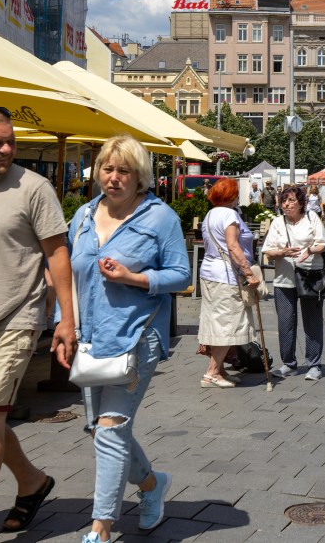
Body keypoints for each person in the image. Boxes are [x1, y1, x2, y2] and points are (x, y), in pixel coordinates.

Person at [69, 135, 191, 542]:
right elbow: (71, 276)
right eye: (108, 168)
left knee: (111, 426)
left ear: (141, 177)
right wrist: (63, 326)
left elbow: (181, 275)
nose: (115, 177)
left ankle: (100, 528)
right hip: (91, 336)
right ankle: (152, 484)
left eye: (125, 171)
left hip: (138, 337)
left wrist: (134, 278)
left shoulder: (160, 218)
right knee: (101, 429)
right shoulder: (84, 216)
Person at [0, 107, 76, 540]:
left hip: (15, 316)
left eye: (10, 141)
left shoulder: (34, 187)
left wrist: (67, 320)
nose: (7, 149)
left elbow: (57, 254)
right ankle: (32, 482)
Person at [196, 178, 260, 388]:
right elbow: (233, 246)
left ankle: (220, 369)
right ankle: (212, 373)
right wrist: (248, 273)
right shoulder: (230, 215)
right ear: (231, 196)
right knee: (228, 323)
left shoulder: (210, 214)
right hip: (226, 275)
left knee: (215, 322)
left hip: (209, 272)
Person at [262, 185, 325, 380]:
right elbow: (268, 251)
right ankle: (289, 363)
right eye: (284, 200)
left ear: (301, 203)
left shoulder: (311, 218)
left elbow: (322, 243)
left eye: (291, 200)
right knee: (285, 322)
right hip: (284, 279)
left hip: (310, 276)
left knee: (312, 320)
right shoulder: (277, 223)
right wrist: (282, 252)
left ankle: (314, 364)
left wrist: (308, 251)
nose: (287, 204)